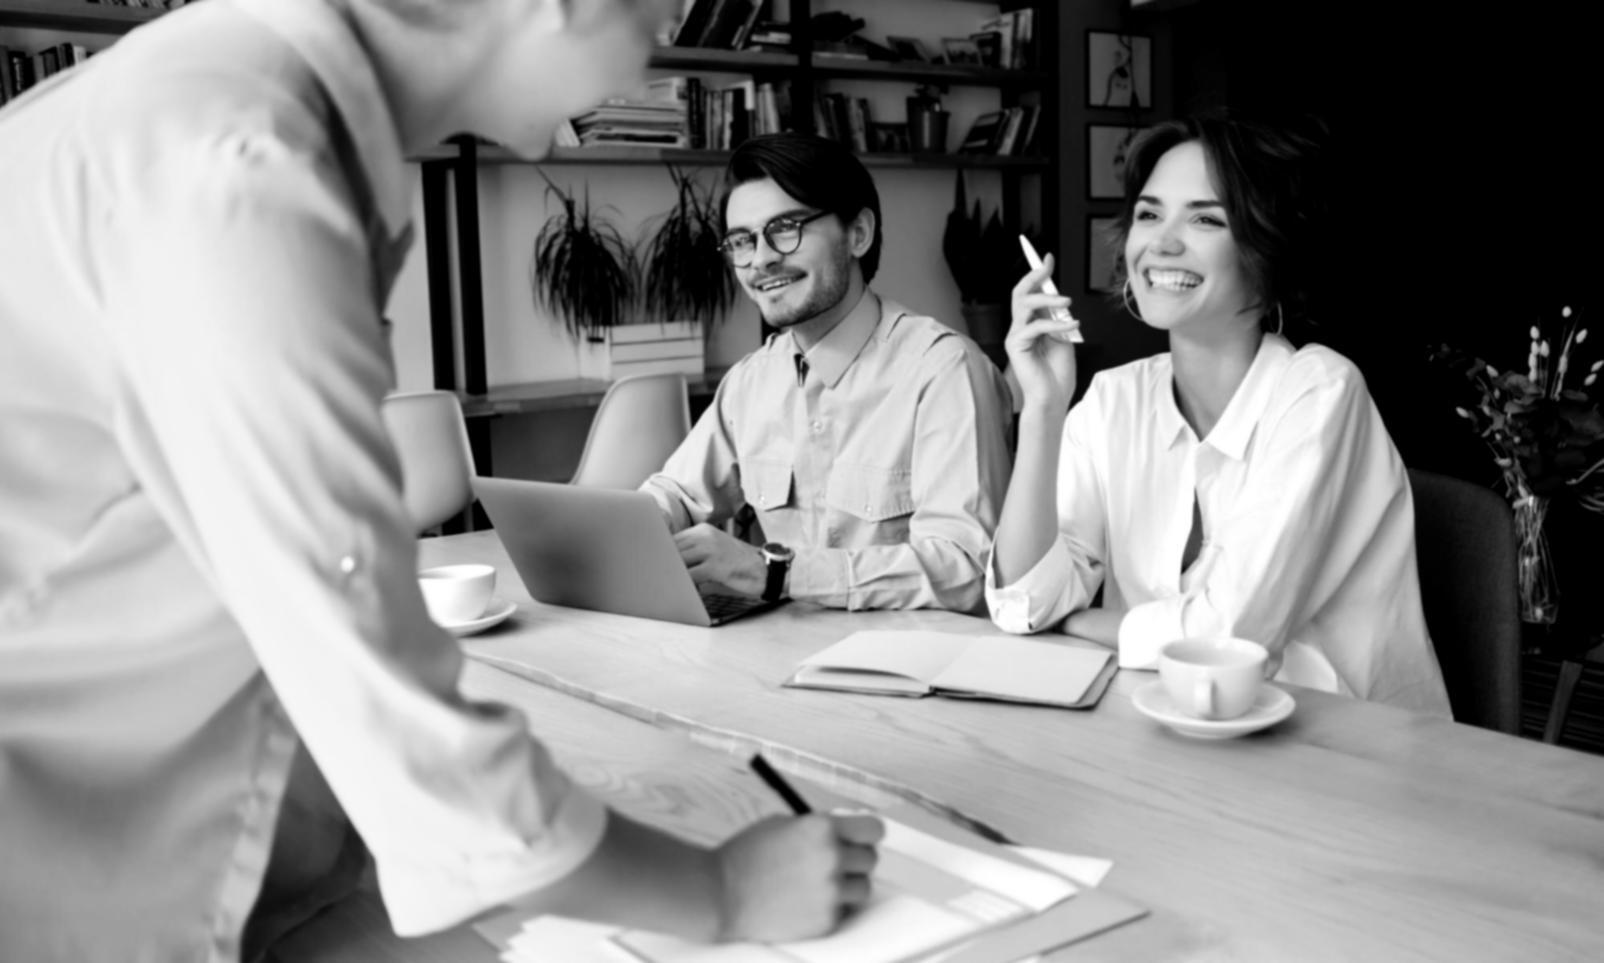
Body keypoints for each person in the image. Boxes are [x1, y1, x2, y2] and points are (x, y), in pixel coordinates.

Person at [0, 2, 882, 961]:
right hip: (75, 864)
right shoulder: (241, 167)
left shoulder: (227, 106)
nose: (645, 69)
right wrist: (720, 891)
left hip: (173, 837)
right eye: (652, 14)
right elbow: (361, 655)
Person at [987, 112, 1451, 715]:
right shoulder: (1112, 400)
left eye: (1205, 219)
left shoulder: (1321, 393)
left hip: (1340, 741)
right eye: (1149, 215)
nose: (1161, 242)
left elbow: (1231, 637)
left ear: (1266, 253)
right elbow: (1024, 604)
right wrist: (1044, 410)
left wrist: (1077, 622)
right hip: (1172, 727)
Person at [641, 132, 1014, 613]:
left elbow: (965, 569)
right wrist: (628, 526)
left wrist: (777, 573)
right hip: (782, 646)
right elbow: (676, 494)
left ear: (858, 233)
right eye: (742, 241)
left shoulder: (945, 372)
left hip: (910, 653)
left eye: (785, 229)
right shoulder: (751, 381)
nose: (761, 259)